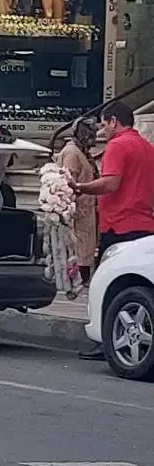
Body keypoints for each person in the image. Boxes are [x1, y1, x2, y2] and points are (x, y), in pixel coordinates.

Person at [71, 102, 154, 358]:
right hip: (145, 226)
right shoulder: (147, 147)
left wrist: (80, 187)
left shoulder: (117, 145)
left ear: (114, 121)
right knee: (134, 287)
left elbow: (110, 184)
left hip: (119, 226)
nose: (103, 130)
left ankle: (105, 339)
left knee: (107, 285)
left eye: (104, 124)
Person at [56, 118, 99, 294]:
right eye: (90, 134)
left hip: (86, 208)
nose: (94, 138)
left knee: (86, 248)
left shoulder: (82, 152)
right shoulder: (72, 153)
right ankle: (76, 283)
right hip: (77, 211)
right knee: (79, 250)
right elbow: (67, 183)